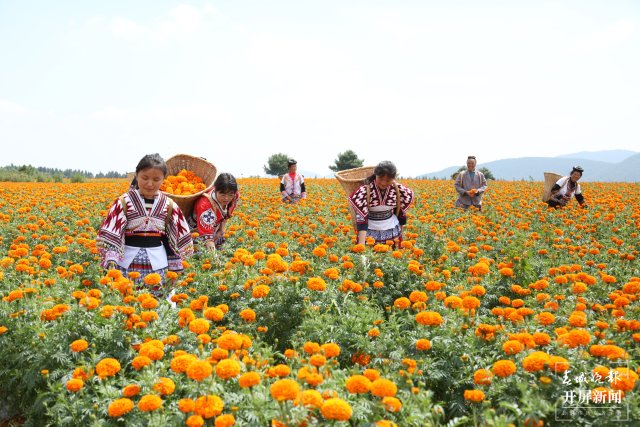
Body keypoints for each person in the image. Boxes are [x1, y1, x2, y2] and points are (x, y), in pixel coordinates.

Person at [97, 153, 194, 296]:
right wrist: (111, 263)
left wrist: (175, 268)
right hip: (126, 264)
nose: (150, 184)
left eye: (156, 179)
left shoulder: (169, 205)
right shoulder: (123, 202)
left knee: (156, 306)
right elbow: (112, 237)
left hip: (158, 265)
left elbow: (174, 241)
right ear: (136, 176)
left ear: (163, 180)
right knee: (127, 303)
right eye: (145, 178)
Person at [349, 161, 414, 246]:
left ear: (393, 178)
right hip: (369, 233)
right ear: (375, 175)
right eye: (381, 179)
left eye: (388, 180)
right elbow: (362, 219)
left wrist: (402, 236)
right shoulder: (364, 191)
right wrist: (361, 245)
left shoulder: (399, 190)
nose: (383, 183)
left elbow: (401, 214)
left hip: (393, 233)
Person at [189, 173, 240, 251]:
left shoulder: (234, 196)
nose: (226, 198)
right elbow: (207, 239)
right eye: (222, 194)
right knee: (201, 253)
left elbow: (226, 213)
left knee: (229, 246)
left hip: (214, 228)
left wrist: (221, 230)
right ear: (215, 190)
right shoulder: (206, 206)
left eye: (230, 195)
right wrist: (214, 260)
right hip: (196, 231)